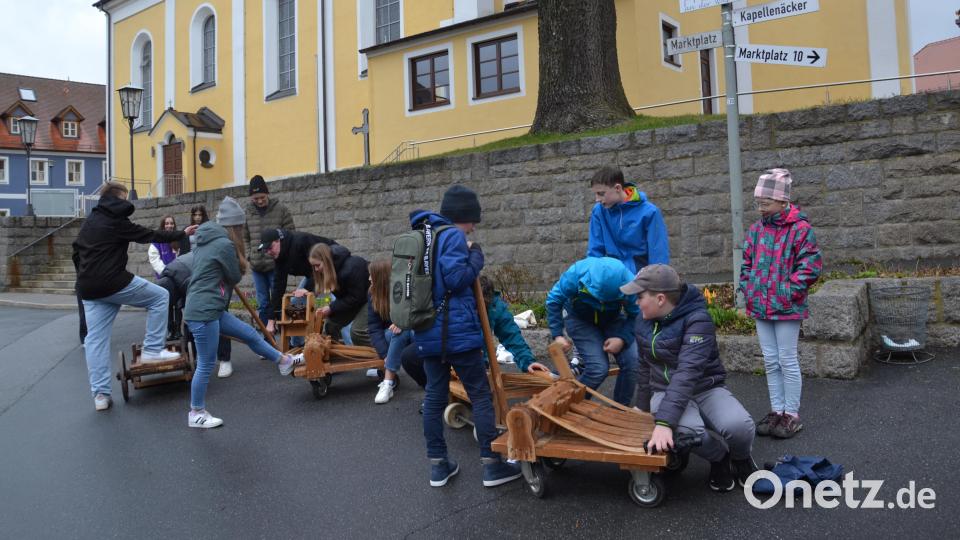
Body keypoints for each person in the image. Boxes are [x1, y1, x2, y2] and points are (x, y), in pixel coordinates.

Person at [412, 185, 521, 489]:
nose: (474, 226)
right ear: (463, 216)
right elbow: (457, 279)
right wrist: (476, 255)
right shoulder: (453, 237)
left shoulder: (423, 235)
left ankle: (438, 466)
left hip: (426, 329)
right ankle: (492, 465)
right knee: (480, 393)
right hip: (456, 331)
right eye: (473, 220)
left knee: (434, 395)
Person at [625, 264, 758, 492]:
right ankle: (719, 457)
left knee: (740, 426)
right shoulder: (642, 321)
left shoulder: (698, 320)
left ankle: (741, 459)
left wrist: (664, 422)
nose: (636, 302)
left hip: (704, 387)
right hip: (663, 391)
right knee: (688, 433)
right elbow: (644, 366)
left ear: (660, 299)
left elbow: (687, 372)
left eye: (640, 296)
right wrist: (642, 406)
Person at [73, 181, 197, 411]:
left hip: (88, 288)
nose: (127, 202)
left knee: (95, 340)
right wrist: (182, 233)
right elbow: (148, 234)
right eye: (125, 198)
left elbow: (76, 250)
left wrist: (84, 277)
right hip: (112, 281)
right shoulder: (116, 221)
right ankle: (151, 351)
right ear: (118, 199)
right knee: (160, 296)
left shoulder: (90, 221)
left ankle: (100, 395)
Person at [183, 196, 304, 429]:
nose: (241, 229)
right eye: (239, 226)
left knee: (249, 333)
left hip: (209, 306)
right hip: (204, 311)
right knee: (206, 364)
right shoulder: (225, 244)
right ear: (234, 226)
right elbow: (235, 275)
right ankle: (196, 412)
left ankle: (283, 361)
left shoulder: (203, 239)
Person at [739, 168, 822, 439]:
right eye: (759, 202)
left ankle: (791, 414)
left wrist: (788, 292)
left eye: (766, 202)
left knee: (787, 359)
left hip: (787, 306)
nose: (761, 208)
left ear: (783, 201)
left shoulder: (800, 230)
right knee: (771, 360)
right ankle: (777, 410)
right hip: (761, 305)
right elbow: (747, 264)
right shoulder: (756, 231)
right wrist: (749, 289)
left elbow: (810, 266)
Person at [545, 256, 640, 406]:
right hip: (579, 319)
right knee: (598, 368)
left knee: (632, 362)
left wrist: (622, 339)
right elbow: (553, 301)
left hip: (612, 318)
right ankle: (572, 405)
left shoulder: (630, 282)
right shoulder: (576, 273)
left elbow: (637, 315)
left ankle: (619, 410)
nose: (601, 302)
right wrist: (557, 335)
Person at [587, 166, 670, 274]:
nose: (597, 199)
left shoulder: (650, 212)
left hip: (642, 274)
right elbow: (595, 252)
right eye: (595, 194)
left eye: (601, 194)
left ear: (617, 188)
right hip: (612, 273)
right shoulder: (598, 211)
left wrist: (655, 284)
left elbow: (658, 254)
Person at [260, 229, 337, 337]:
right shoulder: (279, 258)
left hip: (332, 269)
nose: (268, 252)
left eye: (270, 248)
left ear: (278, 241)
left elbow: (318, 266)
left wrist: (308, 289)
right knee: (296, 303)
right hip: (314, 274)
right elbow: (278, 287)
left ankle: (352, 346)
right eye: (266, 250)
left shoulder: (301, 241)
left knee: (338, 304)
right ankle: (297, 345)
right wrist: (271, 320)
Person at [243, 175, 296, 328]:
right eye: (255, 198)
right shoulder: (247, 212)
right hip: (257, 266)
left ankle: (283, 335)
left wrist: (281, 255)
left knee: (278, 300)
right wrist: (249, 255)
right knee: (263, 303)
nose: (259, 201)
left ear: (267, 193)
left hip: (276, 265)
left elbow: (290, 234)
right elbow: (245, 236)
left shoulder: (281, 210)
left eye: (262, 197)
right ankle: (266, 339)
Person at [307, 242, 371, 346]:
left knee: (357, 332)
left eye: (317, 265)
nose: (316, 269)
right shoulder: (330, 269)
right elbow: (345, 298)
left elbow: (356, 298)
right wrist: (327, 306)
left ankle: (382, 354)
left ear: (326, 261)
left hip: (370, 298)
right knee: (330, 325)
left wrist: (331, 307)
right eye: (313, 266)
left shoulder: (351, 268)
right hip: (356, 299)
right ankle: (332, 354)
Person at [367, 259, 412, 404]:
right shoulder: (372, 294)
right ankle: (388, 382)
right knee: (398, 332)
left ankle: (388, 383)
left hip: (414, 332)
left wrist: (403, 322)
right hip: (392, 335)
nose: (368, 279)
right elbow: (374, 327)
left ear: (380, 278)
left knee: (402, 330)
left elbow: (416, 312)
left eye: (371, 275)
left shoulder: (403, 290)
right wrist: (385, 354)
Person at [148, 215, 181, 340]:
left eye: (171, 223)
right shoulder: (156, 243)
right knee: (166, 305)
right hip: (165, 279)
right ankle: (169, 330)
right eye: (167, 223)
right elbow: (155, 260)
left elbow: (180, 258)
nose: (169, 226)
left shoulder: (177, 240)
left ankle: (178, 330)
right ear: (163, 225)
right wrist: (169, 273)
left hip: (177, 278)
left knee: (178, 304)